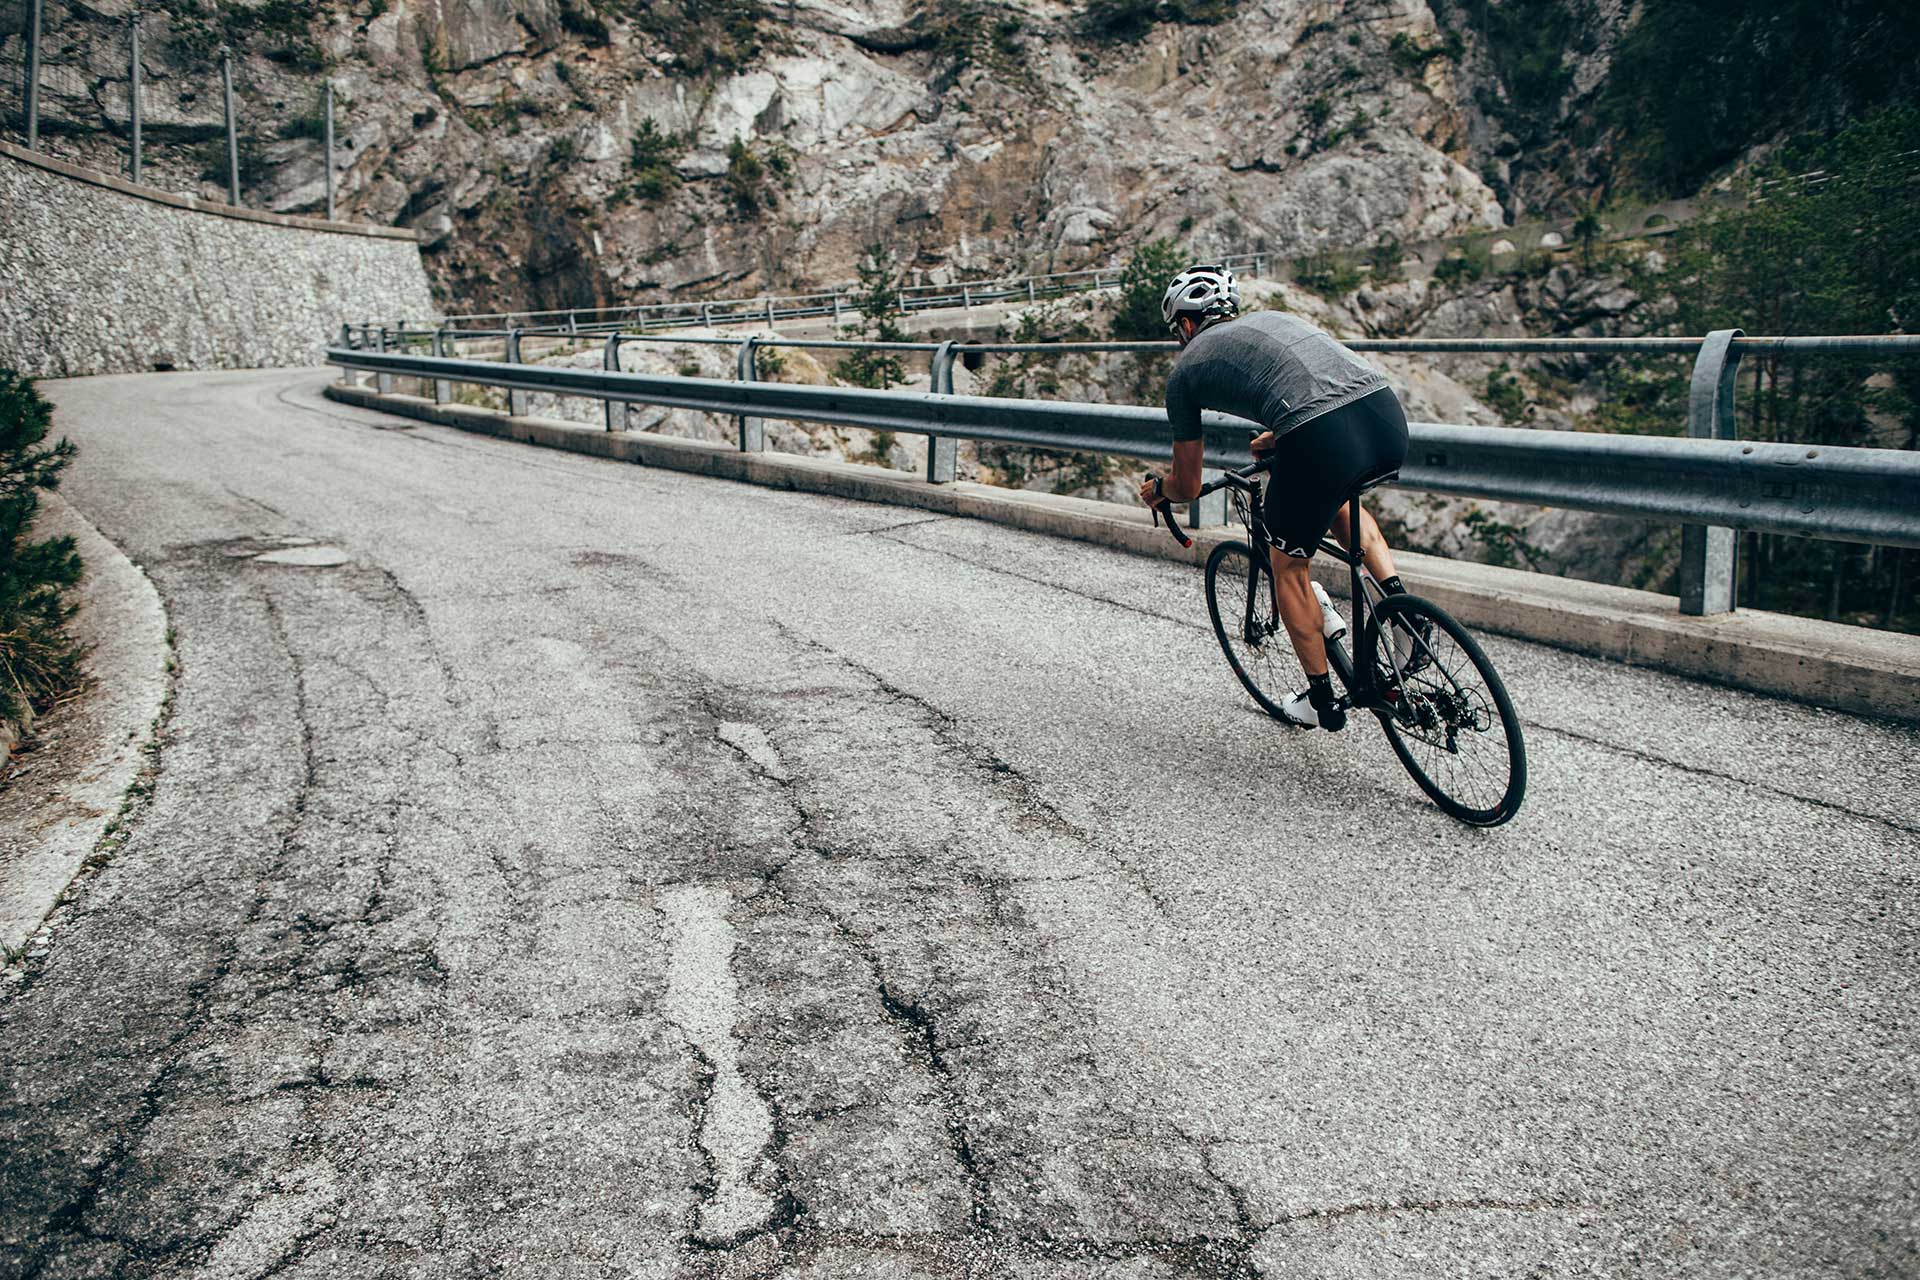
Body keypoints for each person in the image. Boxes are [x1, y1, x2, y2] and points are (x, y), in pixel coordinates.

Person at [1139, 263, 1412, 732]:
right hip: (1384, 413)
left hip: (1318, 434)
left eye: (1176, 331)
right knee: (1344, 496)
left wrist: (1159, 491)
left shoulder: (1184, 373)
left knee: (1289, 567)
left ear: (1185, 325)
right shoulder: (1273, 319)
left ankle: (1320, 701)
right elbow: (1317, 387)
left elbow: (1186, 485)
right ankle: (1401, 608)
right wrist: (1281, 438)